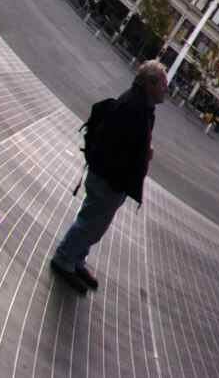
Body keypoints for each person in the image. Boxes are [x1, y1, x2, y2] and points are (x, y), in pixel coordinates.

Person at [51, 60, 164, 294]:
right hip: (109, 177)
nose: (166, 90)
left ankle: (76, 258)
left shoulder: (142, 106)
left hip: (113, 178)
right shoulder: (133, 107)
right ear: (150, 84)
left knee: (95, 223)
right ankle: (64, 259)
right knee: (91, 222)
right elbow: (117, 145)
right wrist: (141, 156)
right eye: (163, 84)